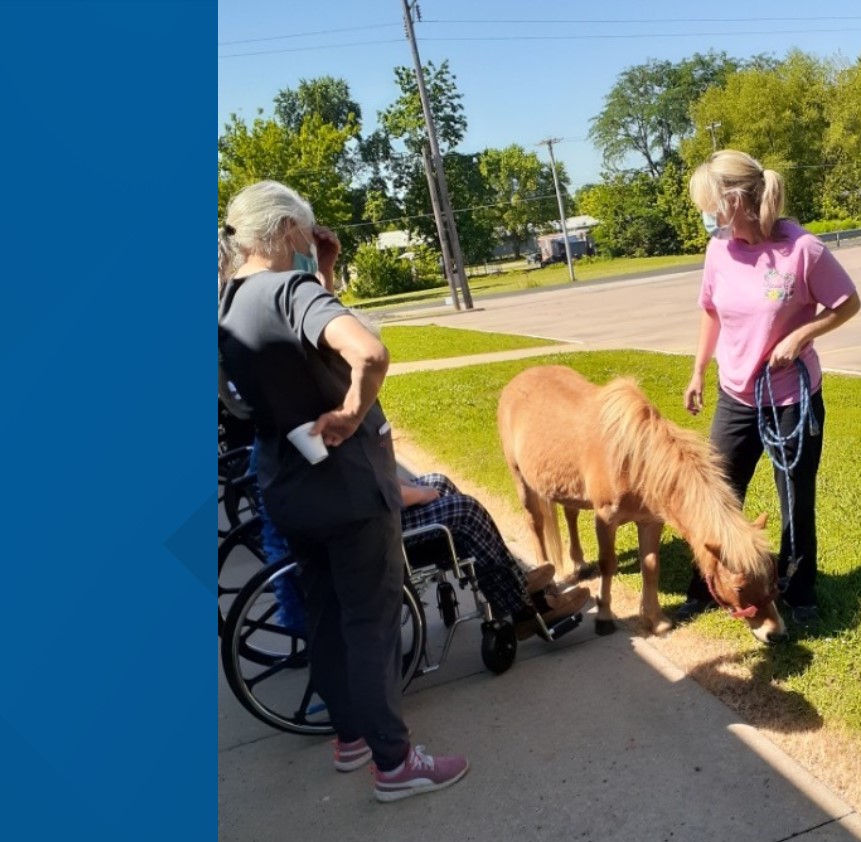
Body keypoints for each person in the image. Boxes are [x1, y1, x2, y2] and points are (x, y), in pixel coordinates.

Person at [217, 180, 466, 801]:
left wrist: (323, 272)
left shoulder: (230, 301)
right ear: (285, 232)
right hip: (348, 487)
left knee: (325, 617)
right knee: (371, 623)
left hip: (288, 484)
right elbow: (368, 352)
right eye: (306, 230)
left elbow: (290, 359)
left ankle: (351, 737)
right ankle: (396, 762)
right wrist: (354, 412)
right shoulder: (290, 289)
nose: (310, 239)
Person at [675, 150, 861, 627]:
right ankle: (707, 583)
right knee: (716, 497)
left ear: (737, 199)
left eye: (713, 205)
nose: (709, 216)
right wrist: (698, 371)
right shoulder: (719, 250)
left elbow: (847, 303)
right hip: (735, 396)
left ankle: (799, 592)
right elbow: (711, 311)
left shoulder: (802, 250)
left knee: (795, 498)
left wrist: (802, 336)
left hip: (791, 401)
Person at [400, 472, 589, 638]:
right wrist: (420, 494)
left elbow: (381, 475)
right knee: (466, 510)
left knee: (439, 482)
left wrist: (417, 489)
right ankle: (521, 607)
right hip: (384, 528)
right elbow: (378, 490)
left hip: (381, 515)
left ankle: (515, 582)